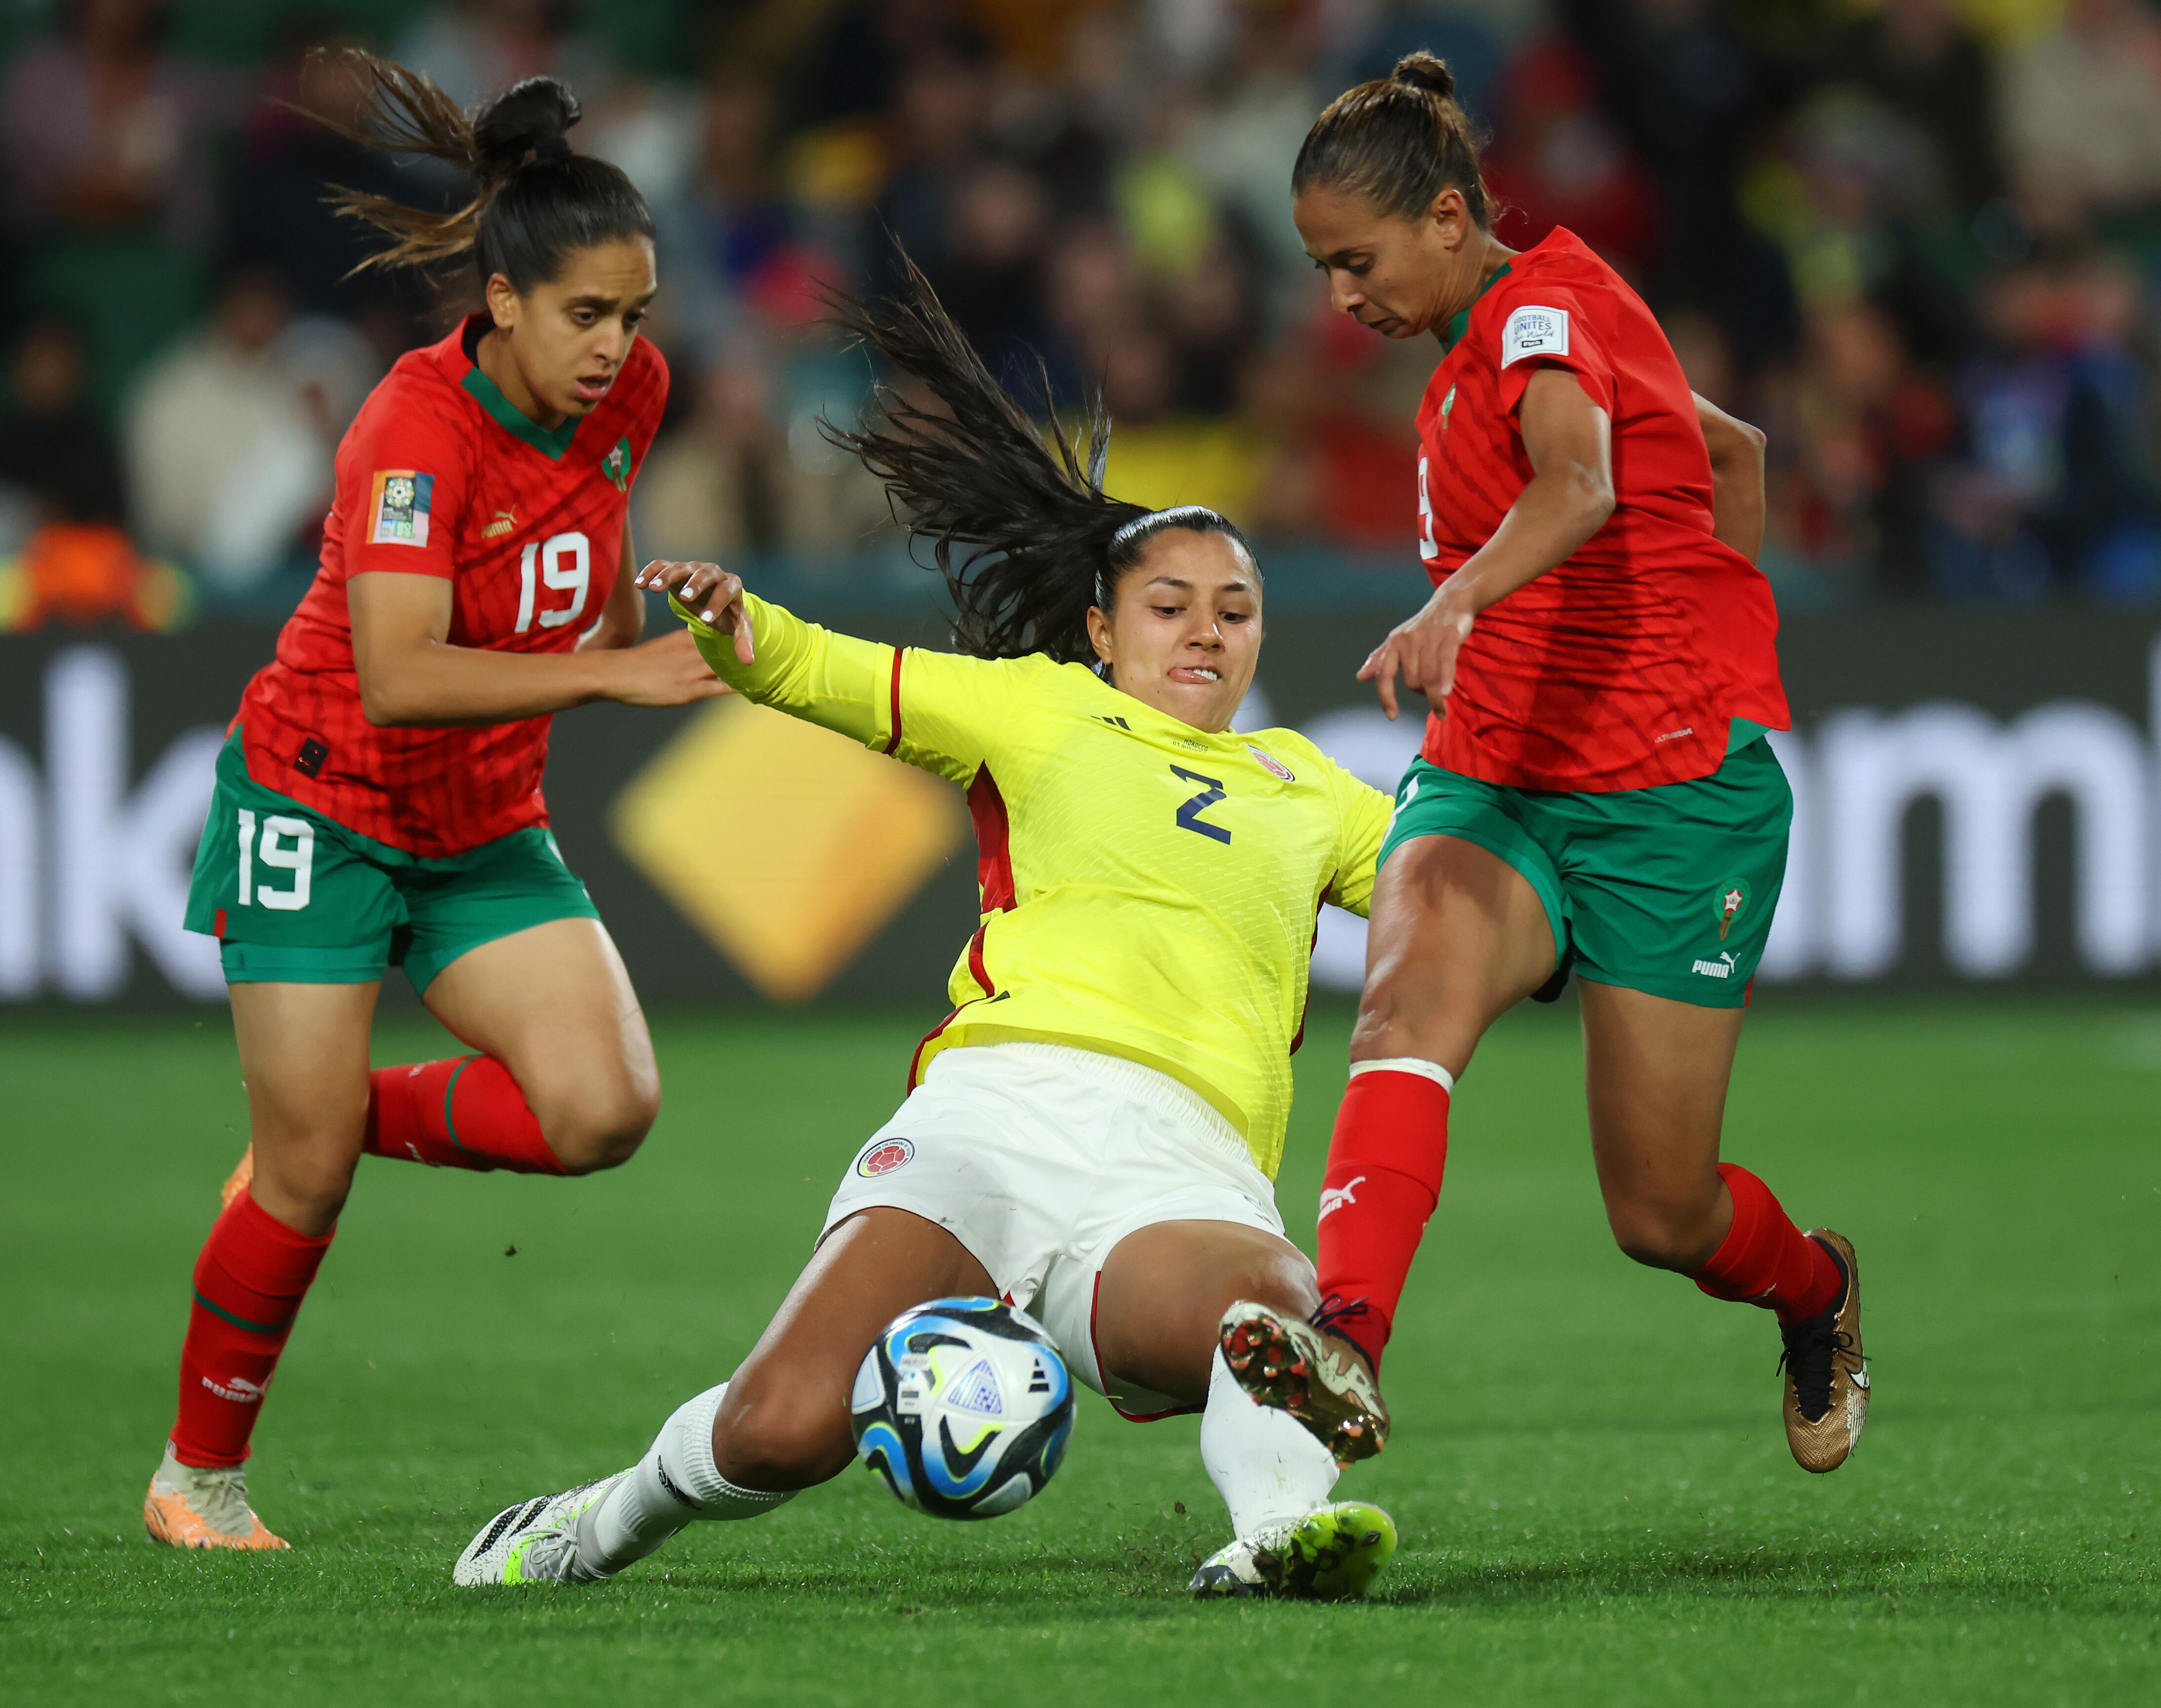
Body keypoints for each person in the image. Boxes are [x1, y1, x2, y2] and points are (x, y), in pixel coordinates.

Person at [452, 271, 1402, 1600]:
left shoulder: (1320, 790)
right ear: (1101, 628)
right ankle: (596, 1524)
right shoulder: (1037, 708)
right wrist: (738, 623)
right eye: (1169, 604)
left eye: (1233, 610)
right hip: (995, 1114)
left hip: (1180, 1161)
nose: (1205, 630)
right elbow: (824, 672)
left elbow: (1462, 891)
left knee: (1278, 1314)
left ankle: (1274, 1538)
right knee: (779, 1427)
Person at [141, 51, 731, 1550]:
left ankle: (329, 1119)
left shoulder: (633, 394)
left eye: (637, 314)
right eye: (587, 315)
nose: (617, 347)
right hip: (320, 801)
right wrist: (618, 678)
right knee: (303, 1181)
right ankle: (195, 1480)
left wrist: (637, 619)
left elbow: (585, 549)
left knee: (603, 1111)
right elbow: (398, 674)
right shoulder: (409, 431)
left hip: (477, 822)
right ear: (504, 300)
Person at [1283, 55, 1867, 1476]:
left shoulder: (1540, 309)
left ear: (1446, 217)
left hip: (1668, 805)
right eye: (1321, 269)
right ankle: (1342, 1338)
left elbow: (1581, 482)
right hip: (1495, 774)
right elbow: (1727, 451)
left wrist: (1466, 605)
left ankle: (1815, 1288)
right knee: (1400, 1007)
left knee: (1660, 1213)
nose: (1342, 297)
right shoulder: (1511, 332)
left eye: (1356, 261)